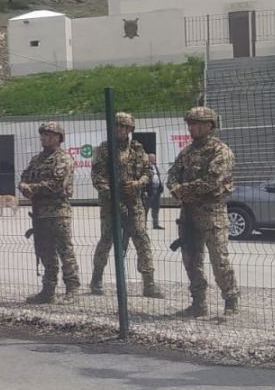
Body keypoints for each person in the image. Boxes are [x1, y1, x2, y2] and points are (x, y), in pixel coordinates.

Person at [166, 107, 239, 318]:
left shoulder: (220, 151)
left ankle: (231, 302)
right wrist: (176, 189)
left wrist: (184, 190)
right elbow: (172, 176)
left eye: (196, 124)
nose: (192, 128)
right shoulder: (186, 152)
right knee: (191, 260)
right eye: (190, 124)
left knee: (219, 260)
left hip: (211, 213)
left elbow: (212, 181)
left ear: (209, 125)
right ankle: (198, 303)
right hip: (188, 214)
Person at [89, 113, 164, 299]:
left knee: (142, 239)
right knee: (107, 239)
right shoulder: (104, 149)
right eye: (117, 126)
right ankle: (96, 279)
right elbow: (97, 177)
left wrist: (139, 183)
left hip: (134, 202)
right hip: (111, 203)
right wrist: (113, 194)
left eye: (124, 127)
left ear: (130, 129)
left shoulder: (138, 148)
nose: (120, 129)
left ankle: (149, 284)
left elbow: (148, 171)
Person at [18, 121, 81, 304]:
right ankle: (48, 290)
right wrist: (23, 187)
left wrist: (32, 188)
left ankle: (72, 289)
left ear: (58, 138)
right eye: (43, 135)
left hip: (58, 213)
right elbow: (24, 177)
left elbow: (57, 184)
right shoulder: (36, 159)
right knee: (45, 253)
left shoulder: (63, 159)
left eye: (48, 135)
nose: (44, 138)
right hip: (40, 213)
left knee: (65, 251)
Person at [147, 154, 165, 229]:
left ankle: (155, 224)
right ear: (149, 159)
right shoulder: (146, 167)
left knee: (156, 208)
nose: (155, 159)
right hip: (150, 191)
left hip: (157, 190)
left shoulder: (155, 167)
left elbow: (158, 177)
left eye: (154, 158)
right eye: (153, 158)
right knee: (146, 208)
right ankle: (143, 225)